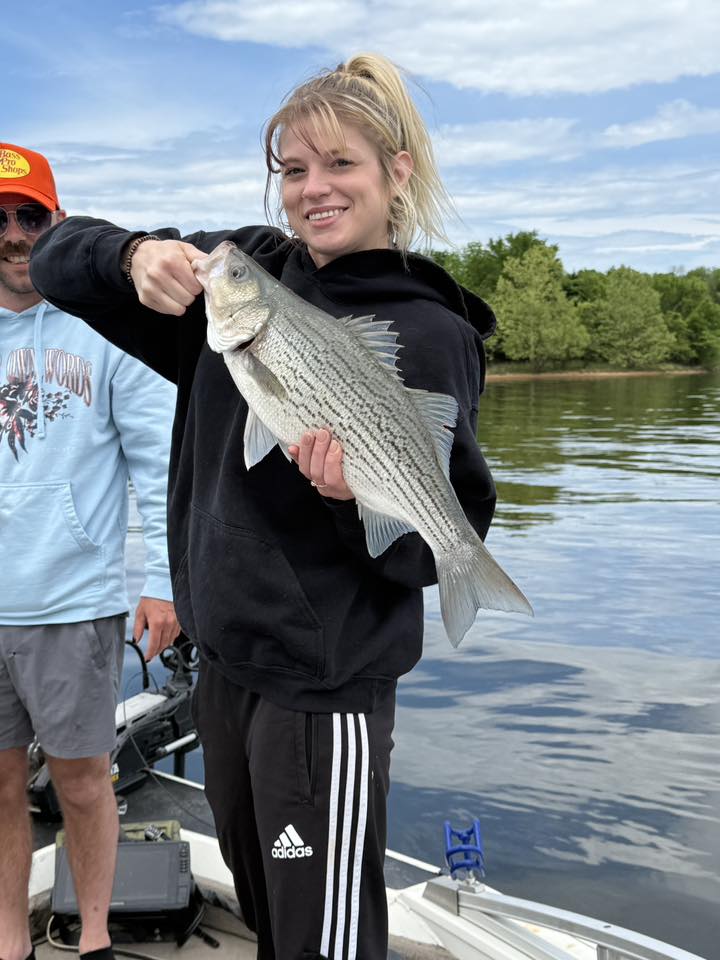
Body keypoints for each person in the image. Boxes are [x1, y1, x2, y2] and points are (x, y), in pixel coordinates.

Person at [30, 53, 498, 960]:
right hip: (227, 672)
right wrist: (134, 255)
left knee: (322, 934)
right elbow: (55, 263)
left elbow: (432, 545)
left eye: (339, 165)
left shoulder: (431, 330)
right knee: (268, 909)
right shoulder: (239, 282)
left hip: (324, 696)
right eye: (293, 170)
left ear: (396, 172)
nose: (312, 191)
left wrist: (344, 496)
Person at [0, 143, 180, 960]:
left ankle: (96, 939)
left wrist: (167, 584)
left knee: (81, 782)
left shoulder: (110, 330)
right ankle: (10, 941)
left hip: (74, 605)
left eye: (29, 216)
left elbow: (162, 462)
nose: (12, 233)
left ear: (56, 221)